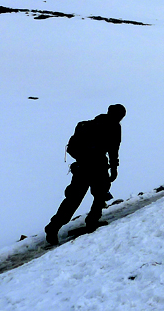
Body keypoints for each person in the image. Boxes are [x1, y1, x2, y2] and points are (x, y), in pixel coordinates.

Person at [45, 104, 126, 245]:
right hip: (97, 166)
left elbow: (112, 149)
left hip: (84, 166)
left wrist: (111, 167)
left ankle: (54, 227)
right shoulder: (113, 127)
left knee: (75, 198)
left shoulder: (89, 125)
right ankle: (89, 222)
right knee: (97, 195)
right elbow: (114, 150)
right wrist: (113, 168)